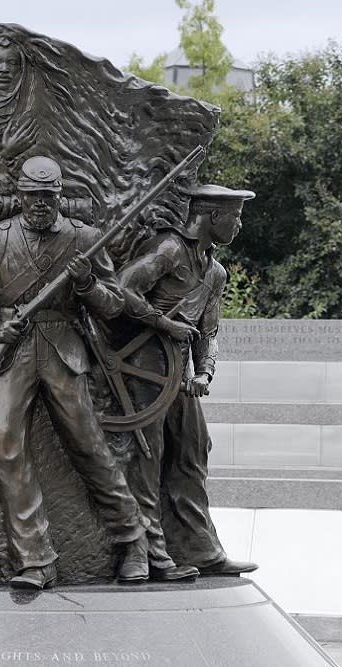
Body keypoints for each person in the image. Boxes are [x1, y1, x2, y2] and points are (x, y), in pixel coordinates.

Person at [0, 155, 149, 589]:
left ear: (59, 196)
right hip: (11, 355)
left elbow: (112, 306)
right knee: (6, 449)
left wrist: (86, 283)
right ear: (20, 195)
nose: (41, 204)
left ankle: (132, 539)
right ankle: (35, 559)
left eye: (49, 197)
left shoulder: (84, 238)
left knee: (89, 447)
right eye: (33, 196)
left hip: (63, 350)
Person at [116, 183, 258, 576]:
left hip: (181, 373)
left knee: (194, 451)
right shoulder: (169, 250)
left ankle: (199, 549)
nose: (239, 225)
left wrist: (205, 372)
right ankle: (152, 556)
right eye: (236, 216)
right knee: (148, 457)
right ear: (213, 216)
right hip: (144, 368)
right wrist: (161, 322)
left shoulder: (215, 272)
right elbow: (122, 288)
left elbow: (207, 331)